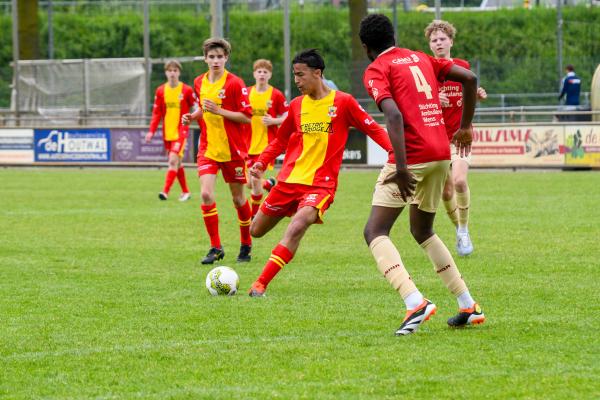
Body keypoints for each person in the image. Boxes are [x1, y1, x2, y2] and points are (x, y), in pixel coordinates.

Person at [359, 14, 485, 335]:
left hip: (412, 157)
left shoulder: (377, 68)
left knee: (375, 231)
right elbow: (469, 78)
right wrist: (466, 126)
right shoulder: (421, 57)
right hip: (441, 152)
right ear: (393, 36)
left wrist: (401, 168)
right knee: (423, 230)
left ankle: (414, 300)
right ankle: (467, 304)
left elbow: (393, 114)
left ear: (366, 47)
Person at [246, 49, 395, 297]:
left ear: (318, 73)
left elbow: (373, 129)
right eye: (294, 75)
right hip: (288, 182)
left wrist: (395, 153)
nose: (296, 80)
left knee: (297, 226)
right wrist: (261, 163)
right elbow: (279, 142)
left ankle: (260, 284)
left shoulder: (343, 102)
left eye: (300, 75)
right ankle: (291, 206)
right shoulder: (296, 106)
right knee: (256, 231)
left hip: (320, 186)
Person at [182, 38, 253, 264]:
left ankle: (246, 244)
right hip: (208, 148)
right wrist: (193, 116)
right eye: (211, 57)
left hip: (232, 151)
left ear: (226, 58)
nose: (215, 61)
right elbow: (204, 109)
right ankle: (216, 247)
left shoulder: (234, 83)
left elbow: (246, 117)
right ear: (205, 58)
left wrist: (219, 111)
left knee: (239, 199)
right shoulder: (199, 82)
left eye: (219, 57)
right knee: (205, 194)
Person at [425, 20, 487, 256]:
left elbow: (468, 93)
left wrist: (477, 94)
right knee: (446, 192)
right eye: (434, 40)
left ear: (451, 41)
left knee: (460, 181)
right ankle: (459, 230)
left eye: (442, 39)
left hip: (460, 136)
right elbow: (418, 101)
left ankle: (463, 230)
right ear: (430, 45)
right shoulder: (427, 69)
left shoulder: (462, 66)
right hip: (436, 137)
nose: (438, 43)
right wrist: (432, 100)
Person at [146, 60, 195, 201]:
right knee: (177, 163)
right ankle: (186, 192)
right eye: (170, 70)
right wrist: (151, 131)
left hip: (181, 131)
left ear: (179, 72)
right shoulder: (161, 90)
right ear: (166, 73)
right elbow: (157, 113)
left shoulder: (186, 90)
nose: (172, 73)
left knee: (173, 160)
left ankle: (165, 192)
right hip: (167, 132)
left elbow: (196, 107)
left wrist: (199, 122)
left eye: (175, 70)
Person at [247, 59, 289, 217]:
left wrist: (273, 121)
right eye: (259, 71)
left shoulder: (275, 94)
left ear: (270, 75)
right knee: (248, 183)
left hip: (266, 145)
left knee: (255, 181)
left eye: (265, 72)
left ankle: (254, 216)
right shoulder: (247, 92)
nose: (262, 74)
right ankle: (269, 184)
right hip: (246, 144)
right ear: (254, 74)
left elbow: (288, 116)